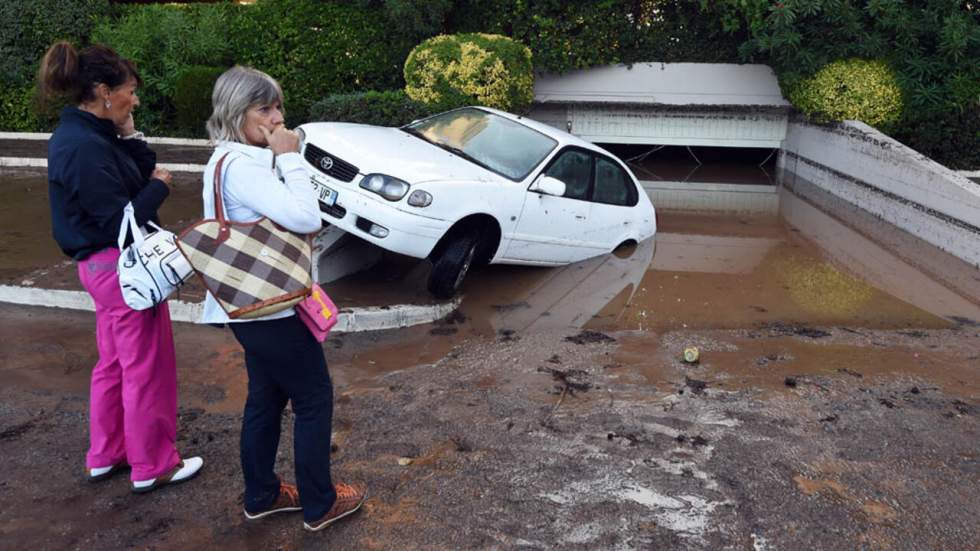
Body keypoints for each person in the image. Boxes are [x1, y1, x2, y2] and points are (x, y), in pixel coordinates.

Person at [201, 66, 366, 531]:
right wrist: (290, 157)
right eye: (265, 107)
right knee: (313, 397)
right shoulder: (245, 167)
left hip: (249, 304)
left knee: (266, 399)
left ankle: (263, 495)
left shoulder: (224, 161)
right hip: (269, 305)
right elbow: (305, 216)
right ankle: (319, 504)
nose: (277, 117)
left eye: (278, 105)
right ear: (238, 112)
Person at [39, 41, 203, 492]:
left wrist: (130, 135)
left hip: (101, 270)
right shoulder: (85, 145)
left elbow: (135, 170)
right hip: (123, 268)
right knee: (145, 368)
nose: (135, 99)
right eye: (129, 91)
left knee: (113, 364)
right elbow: (119, 220)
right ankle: (153, 465)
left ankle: (106, 454)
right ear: (102, 90)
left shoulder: (87, 135)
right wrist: (158, 189)